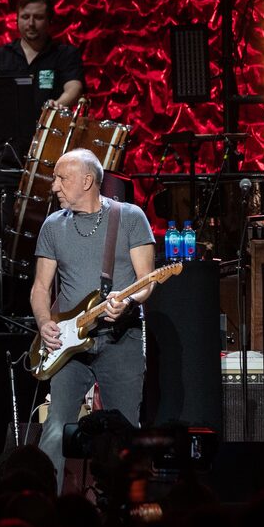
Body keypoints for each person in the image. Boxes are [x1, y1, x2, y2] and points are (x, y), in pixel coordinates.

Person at [29, 149, 155, 492]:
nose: (54, 185)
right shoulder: (53, 225)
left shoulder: (130, 217)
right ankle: (45, 507)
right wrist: (44, 323)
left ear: (87, 181)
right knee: (56, 427)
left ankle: (127, 506)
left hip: (120, 339)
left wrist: (126, 300)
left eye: (61, 178)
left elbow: (147, 280)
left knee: (124, 430)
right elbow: (40, 287)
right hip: (69, 346)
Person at [0, 0, 84, 187]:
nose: (30, 23)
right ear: (16, 19)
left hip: (49, 155)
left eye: (38, 17)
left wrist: (57, 104)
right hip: (3, 159)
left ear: (49, 21)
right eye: (25, 17)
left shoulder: (64, 54)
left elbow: (74, 87)